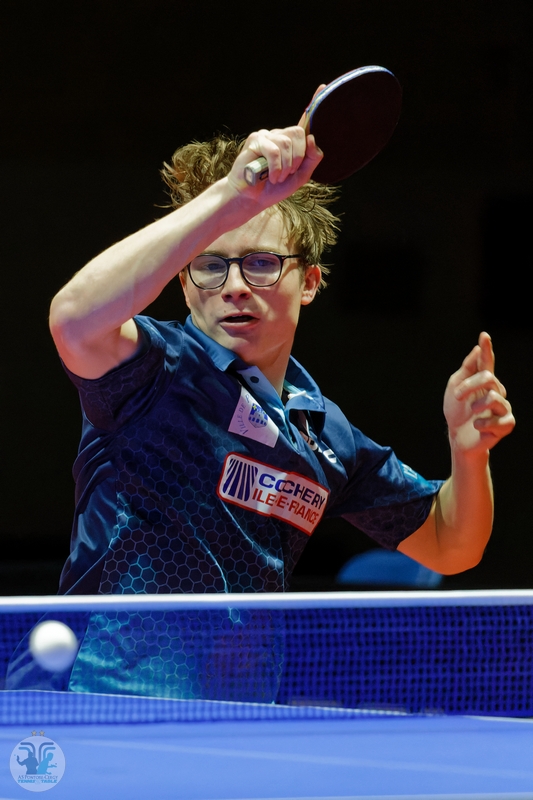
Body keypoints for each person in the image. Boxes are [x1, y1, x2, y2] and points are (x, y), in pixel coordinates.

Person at [40, 122, 513, 699]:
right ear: (183, 283)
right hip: (100, 702)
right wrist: (231, 196)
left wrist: (468, 454)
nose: (235, 286)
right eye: (209, 264)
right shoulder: (151, 372)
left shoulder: (323, 435)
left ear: (309, 282)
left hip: (239, 719)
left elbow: (450, 542)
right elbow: (73, 319)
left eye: (261, 263)